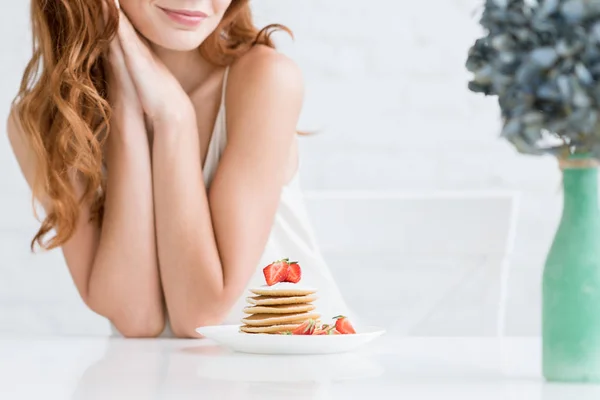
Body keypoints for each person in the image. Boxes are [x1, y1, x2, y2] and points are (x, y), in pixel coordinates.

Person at [6, 0, 351, 338]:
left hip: (289, 378)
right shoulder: (44, 121)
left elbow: (201, 317)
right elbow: (135, 318)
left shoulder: (266, 79)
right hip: (162, 382)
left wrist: (175, 117)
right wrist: (126, 107)